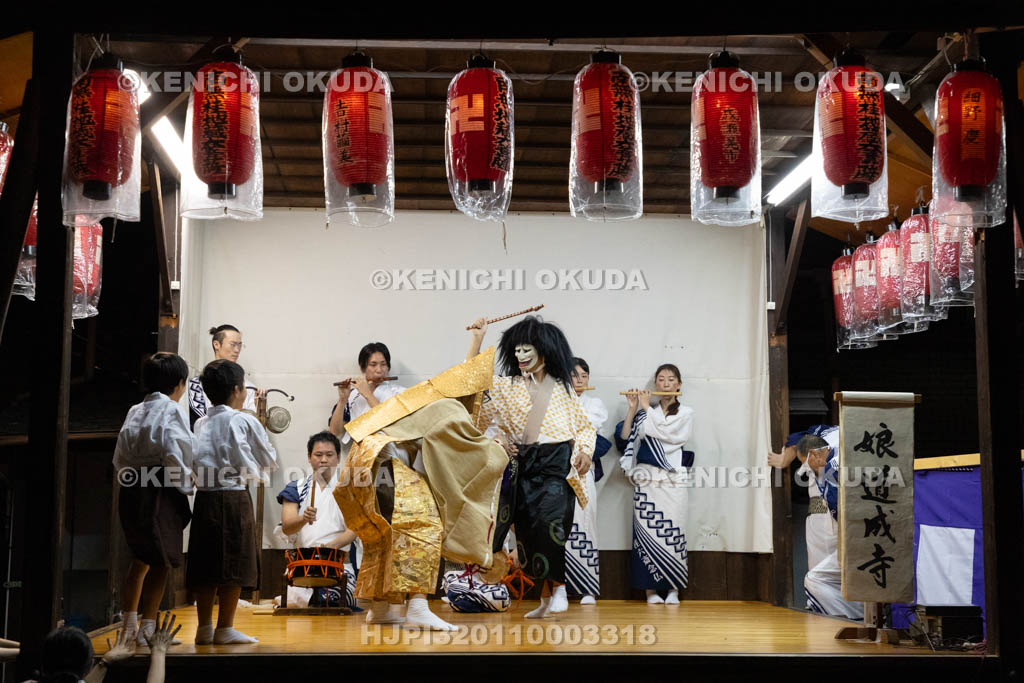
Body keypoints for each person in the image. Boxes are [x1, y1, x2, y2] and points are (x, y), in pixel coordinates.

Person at [333, 347, 508, 631]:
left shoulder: (408, 395)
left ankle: (380, 608)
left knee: (384, 536)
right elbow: (464, 450)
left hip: (365, 468)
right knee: (424, 525)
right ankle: (417, 606)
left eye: (382, 364)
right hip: (382, 464)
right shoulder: (444, 407)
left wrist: (476, 340)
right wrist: (497, 450)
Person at [466, 315, 596, 619]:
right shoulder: (504, 387)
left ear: (544, 352)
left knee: (552, 525)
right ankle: (546, 598)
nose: (521, 356)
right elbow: (471, 394)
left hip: (556, 463)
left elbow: (585, 427)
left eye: (528, 350)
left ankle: (561, 588)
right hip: (523, 464)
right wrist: (477, 339)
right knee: (525, 534)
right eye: (518, 351)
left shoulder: (562, 388)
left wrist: (586, 453)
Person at [187, 359, 279, 644]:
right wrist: (254, 468)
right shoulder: (244, 419)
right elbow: (269, 460)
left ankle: (204, 627)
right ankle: (225, 627)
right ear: (238, 390)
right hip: (234, 495)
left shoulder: (201, 421)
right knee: (235, 558)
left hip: (204, 497)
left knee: (205, 559)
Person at [112, 352, 194, 646]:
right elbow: (175, 450)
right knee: (161, 559)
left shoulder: (135, 410)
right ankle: (148, 627)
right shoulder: (172, 411)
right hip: (160, 486)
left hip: (132, 486)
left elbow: (120, 456)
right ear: (179, 383)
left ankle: (129, 626)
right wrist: (186, 481)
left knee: (140, 557)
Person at [617, 364, 694, 605]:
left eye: (671, 380)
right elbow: (625, 439)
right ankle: (649, 590)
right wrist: (633, 410)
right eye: (661, 379)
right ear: (655, 385)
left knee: (674, 532)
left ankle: (673, 589)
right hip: (647, 479)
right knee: (646, 533)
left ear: (679, 385)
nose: (666, 384)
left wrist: (644, 410)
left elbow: (670, 435)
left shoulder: (686, 413)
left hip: (673, 480)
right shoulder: (644, 411)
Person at [277, 431, 359, 608]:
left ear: (338, 458)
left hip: (339, 564)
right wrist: (303, 519)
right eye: (318, 455)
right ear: (309, 457)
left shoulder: (349, 489)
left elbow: (355, 528)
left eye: (329, 455)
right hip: (302, 565)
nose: (324, 460)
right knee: (305, 597)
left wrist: (331, 547)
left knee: (334, 598)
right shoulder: (296, 488)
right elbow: (287, 528)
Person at [768, 424, 839, 608]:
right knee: (820, 570)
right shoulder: (825, 433)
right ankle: (822, 609)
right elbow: (797, 439)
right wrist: (784, 459)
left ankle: (841, 612)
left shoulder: (838, 453)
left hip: (840, 512)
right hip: (821, 512)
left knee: (828, 571)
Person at [562, 357, 609, 608]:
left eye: (583, 376)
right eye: (573, 375)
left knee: (586, 521)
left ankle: (588, 587)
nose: (579, 380)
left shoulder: (595, 403)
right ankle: (559, 588)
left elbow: (587, 428)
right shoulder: (556, 401)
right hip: (559, 470)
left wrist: (568, 431)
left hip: (582, 470)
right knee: (559, 526)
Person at [802, 434, 865, 620]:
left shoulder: (831, 467)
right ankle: (863, 615)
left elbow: (842, 507)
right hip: (873, 530)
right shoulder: (840, 452)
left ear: (814, 454)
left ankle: (857, 618)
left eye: (807, 463)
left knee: (815, 580)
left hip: (858, 535)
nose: (808, 469)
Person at [327, 342, 406, 444]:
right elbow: (335, 432)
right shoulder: (352, 395)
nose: (379, 370)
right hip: (360, 454)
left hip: (391, 453)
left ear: (388, 367)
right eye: (373, 365)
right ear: (363, 368)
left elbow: (391, 425)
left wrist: (368, 394)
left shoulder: (400, 393)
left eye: (383, 364)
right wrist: (342, 401)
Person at [187, 325, 261, 428]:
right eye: (233, 344)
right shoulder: (196, 385)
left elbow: (253, 425)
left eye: (240, 345)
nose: (237, 350)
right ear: (216, 344)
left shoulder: (248, 386)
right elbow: (197, 423)